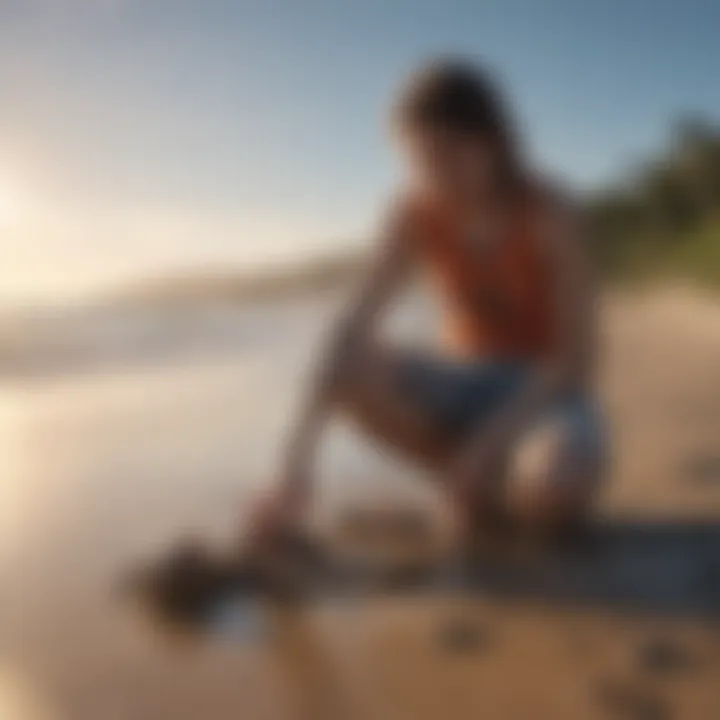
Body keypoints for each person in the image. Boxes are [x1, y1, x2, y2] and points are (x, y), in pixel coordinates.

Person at [252, 58, 606, 550]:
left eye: (449, 155)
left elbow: (575, 364)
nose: (435, 176)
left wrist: (491, 442)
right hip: (461, 379)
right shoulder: (412, 213)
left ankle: (493, 474)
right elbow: (348, 330)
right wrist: (293, 468)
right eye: (418, 162)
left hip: (541, 390)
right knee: (347, 366)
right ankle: (467, 480)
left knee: (555, 488)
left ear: (495, 142)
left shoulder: (549, 210)